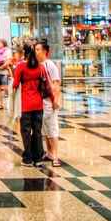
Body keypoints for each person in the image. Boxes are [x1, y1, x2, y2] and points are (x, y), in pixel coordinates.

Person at [12, 43, 53, 167]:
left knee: (26, 131)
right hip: (38, 104)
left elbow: (15, 84)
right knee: (37, 131)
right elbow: (47, 86)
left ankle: (28, 158)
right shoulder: (41, 67)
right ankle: (38, 157)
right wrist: (53, 99)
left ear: (24, 53)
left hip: (25, 105)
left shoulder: (21, 66)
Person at [37, 39, 62, 167]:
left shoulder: (50, 65)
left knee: (52, 127)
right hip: (40, 101)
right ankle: (49, 152)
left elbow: (56, 83)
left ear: (45, 51)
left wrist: (56, 100)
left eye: (38, 50)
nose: (36, 52)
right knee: (45, 128)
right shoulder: (37, 65)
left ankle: (55, 156)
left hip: (49, 100)